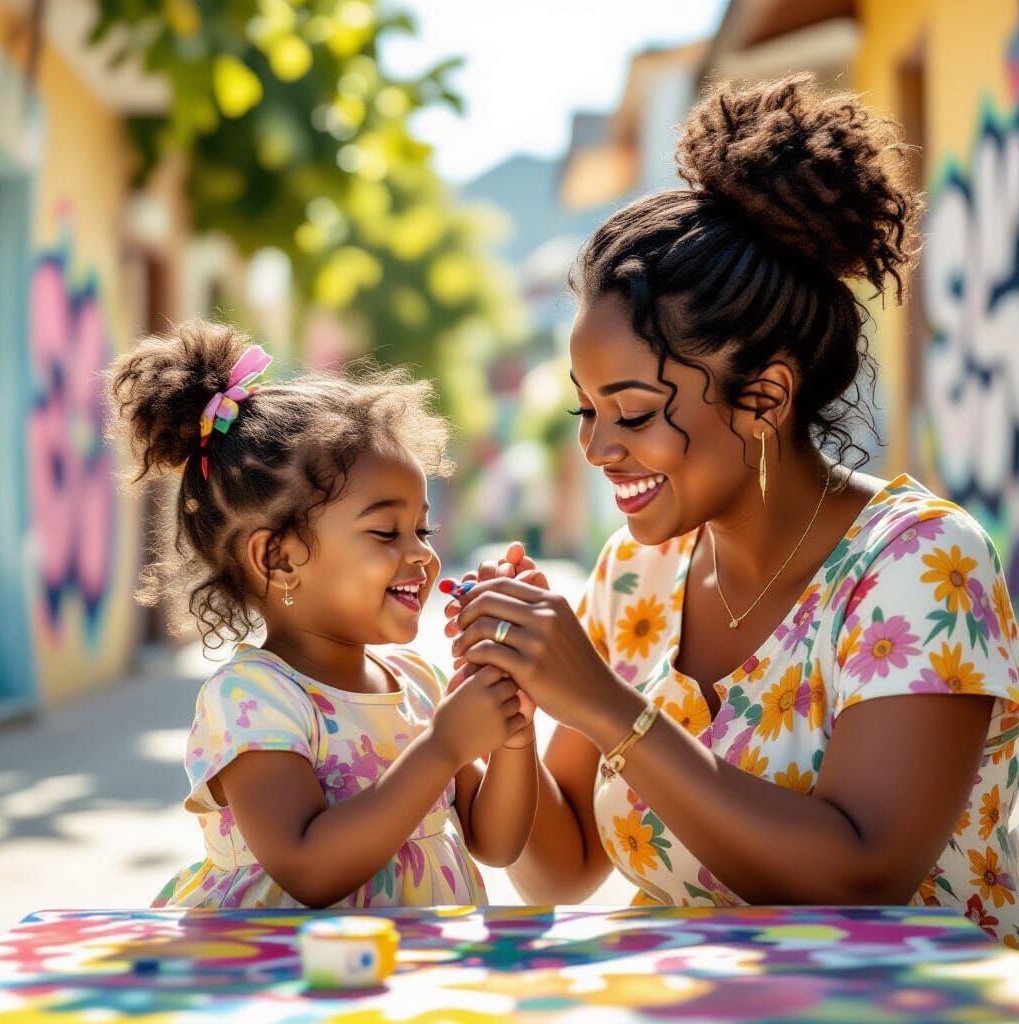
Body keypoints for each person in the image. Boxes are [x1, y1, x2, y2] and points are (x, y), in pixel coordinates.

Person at [445, 76, 1019, 944]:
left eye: (633, 412)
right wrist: (511, 716)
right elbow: (563, 868)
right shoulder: (635, 577)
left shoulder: (919, 565)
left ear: (764, 397)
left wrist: (606, 707)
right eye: (585, 412)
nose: (598, 449)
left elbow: (865, 875)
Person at [106, 322, 537, 909]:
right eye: (386, 531)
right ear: (278, 557)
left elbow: (497, 842)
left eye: (422, 528)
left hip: (410, 976)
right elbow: (308, 868)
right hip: (286, 979)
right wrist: (442, 747)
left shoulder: (420, 684)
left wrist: (512, 725)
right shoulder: (253, 700)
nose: (423, 554)